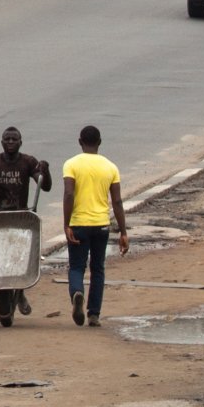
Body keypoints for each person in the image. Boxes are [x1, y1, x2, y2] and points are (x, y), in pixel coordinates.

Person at [0, 127, 52, 319]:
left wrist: (45, 171)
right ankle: (2, 304)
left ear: (21, 142)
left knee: (19, 258)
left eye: (14, 139)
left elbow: (44, 186)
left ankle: (20, 293)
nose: (11, 142)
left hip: (21, 218)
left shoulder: (28, 162)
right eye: (7, 139)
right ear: (1, 142)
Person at [61, 125, 127, 328]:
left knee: (77, 267)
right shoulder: (110, 167)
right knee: (98, 269)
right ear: (99, 142)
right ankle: (94, 315)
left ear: (80, 142)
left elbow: (69, 194)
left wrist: (66, 224)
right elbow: (117, 202)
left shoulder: (71, 164)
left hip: (79, 223)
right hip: (101, 226)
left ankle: (77, 293)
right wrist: (123, 232)